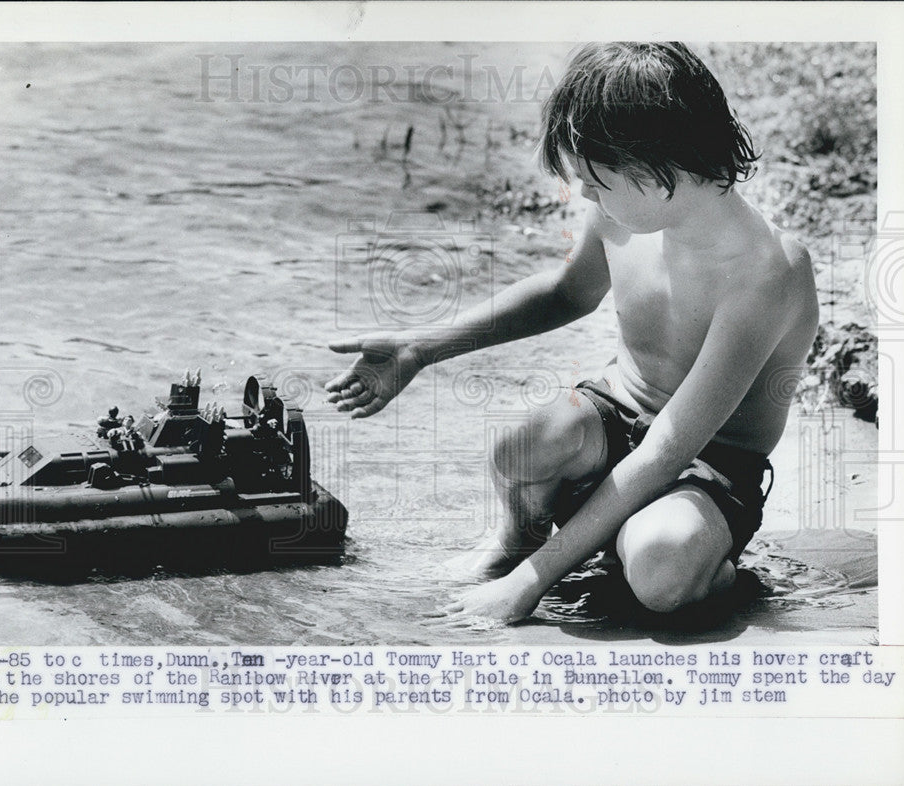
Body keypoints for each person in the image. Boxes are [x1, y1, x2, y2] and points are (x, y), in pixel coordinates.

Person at [324, 43, 819, 624]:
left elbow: (667, 451)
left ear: (655, 170)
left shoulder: (765, 272)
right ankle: (516, 541)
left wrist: (527, 588)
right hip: (618, 413)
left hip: (709, 461)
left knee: (662, 572)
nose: (583, 194)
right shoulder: (623, 212)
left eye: (594, 178)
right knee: (523, 442)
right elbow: (566, 293)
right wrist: (422, 347)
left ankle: (702, 561)